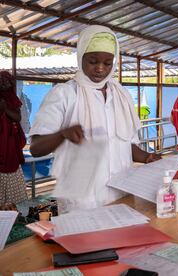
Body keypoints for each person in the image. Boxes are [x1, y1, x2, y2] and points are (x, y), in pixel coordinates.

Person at [29, 25, 160, 213]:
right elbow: (35, 148)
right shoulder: (64, 94)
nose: (100, 68)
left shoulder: (120, 94)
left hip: (120, 196)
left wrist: (147, 157)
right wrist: (62, 134)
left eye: (107, 63)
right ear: (81, 56)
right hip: (82, 202)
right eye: (92, 61)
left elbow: (126, 145)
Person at [0, 71, 28, 206]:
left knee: (16, 200)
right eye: (1, 82)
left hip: (9, 146)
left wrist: (4, 108)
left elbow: (17, 117)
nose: (4, 85)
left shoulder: (11, 99)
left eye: (7, 82)